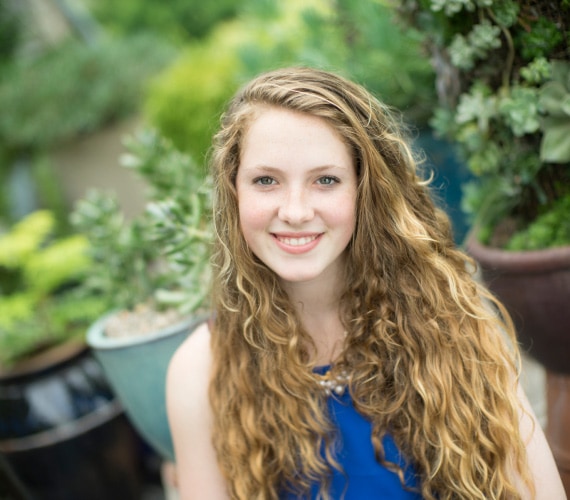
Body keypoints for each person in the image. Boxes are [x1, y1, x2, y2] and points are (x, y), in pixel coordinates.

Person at [166, 67, 566, 499]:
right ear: (234, 191)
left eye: (326, 180)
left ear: (364, 189)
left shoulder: (452, 323)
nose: (295, 211)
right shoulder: (200, 371)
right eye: (266, 181)